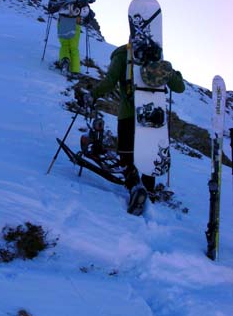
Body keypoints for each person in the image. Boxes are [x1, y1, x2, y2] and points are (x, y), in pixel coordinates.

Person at [75, 43, 185, 214]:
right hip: (153, 117)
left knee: (126, 158)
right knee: (150, 158)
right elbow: (180, 87)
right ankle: (149, 193)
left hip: (128, 115)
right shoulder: (156, 57)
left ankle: (135, 187)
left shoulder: (121, 55)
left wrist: (93, 95)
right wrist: (173, 73)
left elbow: (110, 82)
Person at [47, 0, 95, 75]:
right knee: (74, 48)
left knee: (64, 45)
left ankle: (64, 61)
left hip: (62, 23)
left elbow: (51, 7)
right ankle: (75, 70)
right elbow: (90, 14)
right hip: (75, 23)